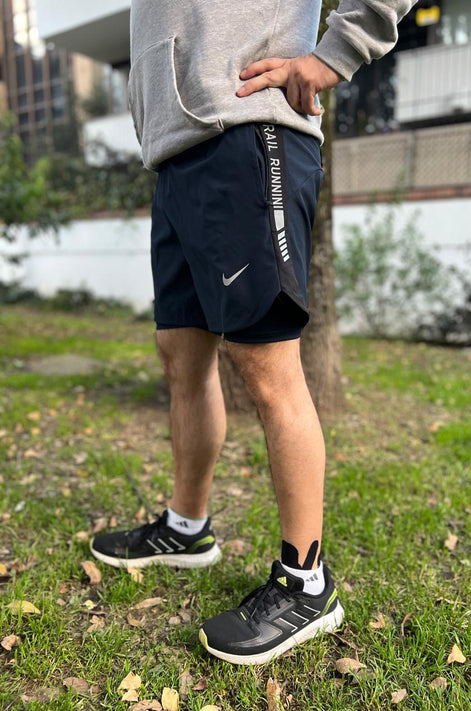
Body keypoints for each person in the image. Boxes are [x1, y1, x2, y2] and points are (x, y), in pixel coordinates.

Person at [91, 0, 418, 665]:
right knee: (181, 355)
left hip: (245, 128)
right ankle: (186, 527)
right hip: (176, 153)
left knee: (267, 365)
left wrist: (335, 54)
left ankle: (306, 583)